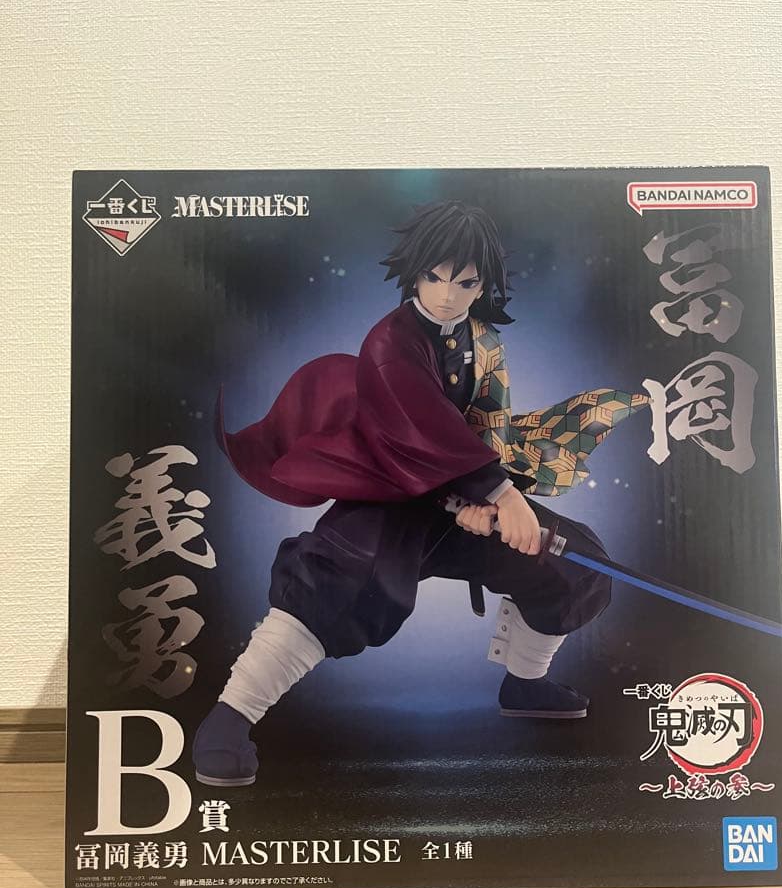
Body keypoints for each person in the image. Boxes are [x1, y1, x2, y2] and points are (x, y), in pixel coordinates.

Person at [193, 201, 648, 787]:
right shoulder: (389, 343)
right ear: (414, 272)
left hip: (465, 493)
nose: (447, 296)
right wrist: (496, 496)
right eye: (434, 277)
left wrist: (490, 501)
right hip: (388, 494)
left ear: (483, 284)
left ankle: (525, 683)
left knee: (572, 560)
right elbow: (419, 427)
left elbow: (488, 423)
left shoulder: (482, 340)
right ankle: (228, 719)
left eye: (466, 283)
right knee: (336, 583)